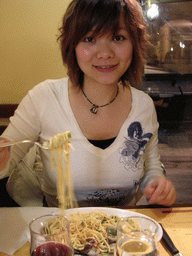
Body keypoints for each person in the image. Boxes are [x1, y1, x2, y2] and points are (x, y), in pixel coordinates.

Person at [0, 0, 176, 207]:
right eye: (89, 38)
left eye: (118, 38)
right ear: (72, 45)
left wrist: (158, 184)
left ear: (135, 43)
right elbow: (8, 158)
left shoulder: (143, 105)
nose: (104, 53)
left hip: (121, 229)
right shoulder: (44, 98)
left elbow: (150, 167)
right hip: (60, 228)